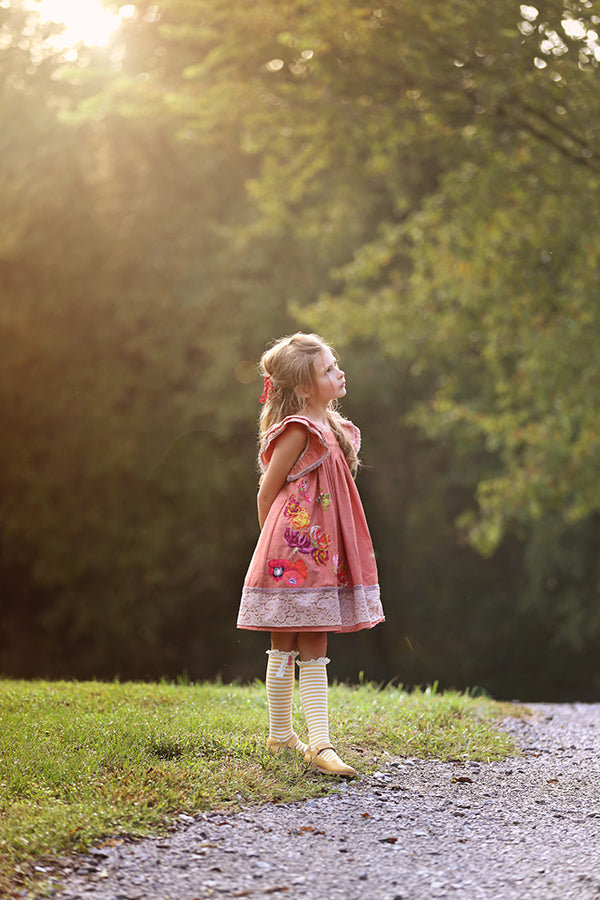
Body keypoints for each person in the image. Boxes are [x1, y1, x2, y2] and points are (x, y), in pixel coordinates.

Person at [237, 332, 384, 778]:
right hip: (291, 552)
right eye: (327, 370)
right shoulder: (298, 430)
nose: (338, 373)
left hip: (324, 553)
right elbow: (268, 491)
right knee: (284, 641)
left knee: (315, 639)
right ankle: (283, 734)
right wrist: (272, 547)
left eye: (335, 365)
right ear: (303, 388)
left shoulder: (335, 430)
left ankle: (317, 742)